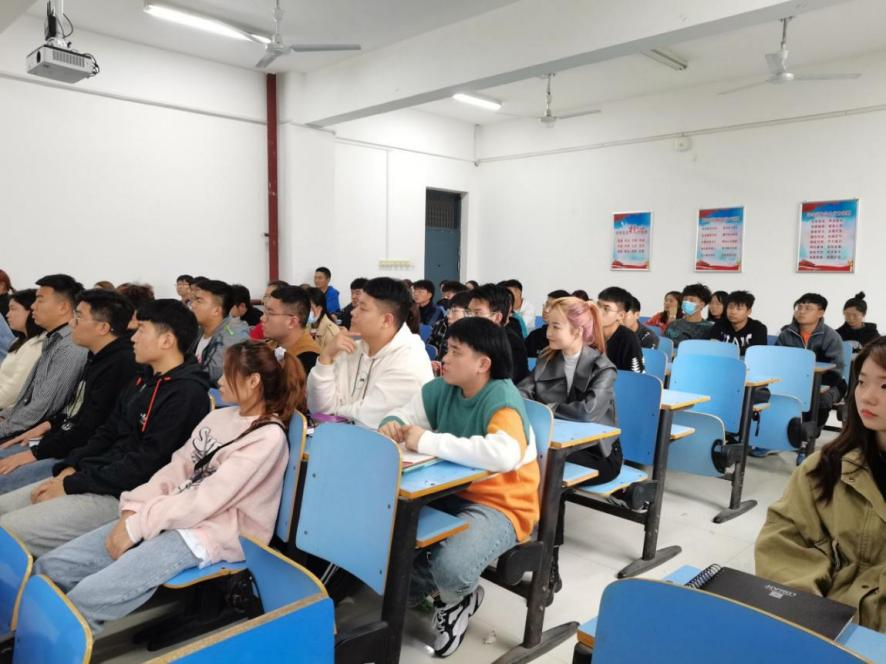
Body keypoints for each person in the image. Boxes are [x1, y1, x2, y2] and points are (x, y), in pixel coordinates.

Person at [35, 341, 303, 633]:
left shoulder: (267, 439)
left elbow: (206, 500)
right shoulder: (219, 417)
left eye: (228, 374)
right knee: (53, 567)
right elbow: (178, 468)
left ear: (253, 381)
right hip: (168, 513)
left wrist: (139, 526)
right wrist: (133, 510)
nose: (219, 381)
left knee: (86, 598)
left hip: (210, 533)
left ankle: (51, 643)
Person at [379, 318, 540, 657]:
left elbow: (504, 454)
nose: (445, 358)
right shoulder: (443, 388)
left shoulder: (502, 396)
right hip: (447, 492)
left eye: (455, 351)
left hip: (502, 505)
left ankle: (458, 599)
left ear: (483, 364)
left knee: (451, 567)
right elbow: (405, 414)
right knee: (391, 556)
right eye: (446, 349)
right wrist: (392, 424)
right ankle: (434, 588)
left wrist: (428, 441)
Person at [0, 299, 210, 557]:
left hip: (122, 494)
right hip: (93, 475)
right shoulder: (143, 379)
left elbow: (145, 465)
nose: (133, 338)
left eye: (141, 330)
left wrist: (72, 483)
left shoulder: (187, 394)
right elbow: (108, 431)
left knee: (6, 531)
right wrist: (70, 468)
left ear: (166, 341)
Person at [755, 338, 886, 632]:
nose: (867, 397)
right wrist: (804, 610)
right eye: (862, 382)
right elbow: (787, 538)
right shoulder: (826, 467)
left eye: (885, 386)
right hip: (829, 620)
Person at [517, 296, 620, 593]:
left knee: (551, 477)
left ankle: (548, 562)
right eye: (549, 325)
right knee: (526, 465)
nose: (547, 332)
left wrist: (547, 407)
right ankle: (521, 539)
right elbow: (521, 393)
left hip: (599, 454)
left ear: (577, 331)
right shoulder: (548, 359)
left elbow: (588, 412)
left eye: (555, 326)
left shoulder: (603, 368)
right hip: (559, 446)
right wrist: (545, 406)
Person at [0, 290, 137, 493]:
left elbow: (89, 429)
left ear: (103, 327)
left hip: (76, 454)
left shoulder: (120, 363)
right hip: (60, 439)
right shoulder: (97, 356)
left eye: (79, 317)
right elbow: (76, 411)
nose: (71, 323)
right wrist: (49, 424)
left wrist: (35, 453)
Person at [307, 277, 433, 428]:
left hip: (380, 442)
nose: (353, 312)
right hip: (341, 436)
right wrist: (326, 357)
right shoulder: (353, 348)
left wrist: (333, 414)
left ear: (386, 320)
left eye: (363, 308)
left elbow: (367, 420)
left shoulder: (410, 361)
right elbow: (318, 409)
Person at [0, 275, 88, 442]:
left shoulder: (70, 346)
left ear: (63, 307)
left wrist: (4, 427)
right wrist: (5, 416)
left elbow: (43, 408)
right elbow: (27, 400)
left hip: (36, 435)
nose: (33, 306)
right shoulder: (53, 340)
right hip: (21, 427)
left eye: (40, 300)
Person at [776, 293, 845, 428]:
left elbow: (836, 371)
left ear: (820, 313)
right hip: (794, 381)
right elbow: (777, 362)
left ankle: (810, 432)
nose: (802, 311)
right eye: (799, 307)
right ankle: (783, 429)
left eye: (808, 308)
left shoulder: (831, 337)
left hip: (829, 383)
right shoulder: (786, 334)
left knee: (818, 399)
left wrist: (810, 385)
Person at [190, 279, 249, 387]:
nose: (192, 305)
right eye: (193, 300)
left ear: (217, 310)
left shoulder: (233, 334)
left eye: (199, 301)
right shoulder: (199, 330)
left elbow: (213, 374)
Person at [468, 284, 530, 383]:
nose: (470, 318)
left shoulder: (511, 343)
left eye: (477, 313)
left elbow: (502, 383)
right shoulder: (470, 338)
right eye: (469, 312)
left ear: (497, 317)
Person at [261, 286, 321, 374]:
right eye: (264, 312)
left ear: (292, 322)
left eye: (270, 313)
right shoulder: (269, 346)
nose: (262, 318)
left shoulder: (309, 360)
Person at [0, 290, 44, 411]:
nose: (7, 314)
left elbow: (15, 391)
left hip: (8, 410)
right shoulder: (19, 341)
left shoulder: (36, 346)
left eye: (13, 309)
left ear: (31, 311)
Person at [596, 287, 644, 373]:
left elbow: (635, 376)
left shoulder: (629, 339)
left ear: (620, 315)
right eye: (598, 306)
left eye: (606, 309)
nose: (598, 311)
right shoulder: (590, 333)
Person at [707, 290, 768, 355]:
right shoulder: (719, 324)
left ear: (749, 311)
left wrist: (726, 350)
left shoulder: (758, 328)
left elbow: (757, 351)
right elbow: (713, 347)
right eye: (731, 307)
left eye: (739, 309)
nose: (733, 312)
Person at [525, 290, 570, 358]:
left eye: (552, 307)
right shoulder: (534, 336)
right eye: (546, 304)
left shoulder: (569, 341)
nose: (546, 310)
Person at [428, 291, 471, 359]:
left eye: (454, 311)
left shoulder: (475, 335)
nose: (449, 316)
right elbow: (428, 349)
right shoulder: (441, 325)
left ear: (469, 313)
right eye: (449, 311)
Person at [307, 287, 341, 351]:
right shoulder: (307, 325)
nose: (306, 311)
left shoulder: (331, 333)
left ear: (319, 308)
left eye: (309, 307)